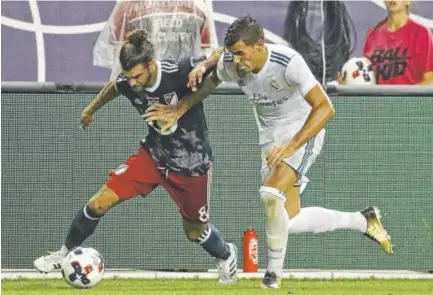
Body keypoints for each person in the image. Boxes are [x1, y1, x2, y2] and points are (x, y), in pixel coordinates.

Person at [144, 16, 393, 289]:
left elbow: (325, 108)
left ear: (260, 44)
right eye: (233, 54)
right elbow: (214, 76)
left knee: (270, 194)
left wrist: (291, 146)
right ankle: (362, 220)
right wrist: (180, 106)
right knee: (290, 218)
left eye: (241, 53)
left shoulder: (288, 62)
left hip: (301, 131)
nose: (237, 60)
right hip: (271, 139)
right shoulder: (234, 64)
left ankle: (273, 275)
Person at [34, 30, 237, 285]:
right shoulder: (129, 81)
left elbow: (223, 56)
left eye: (137, 76)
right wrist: (90, 110)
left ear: (151, 65)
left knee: (194, 232)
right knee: (98, 203)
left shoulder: (179, 70)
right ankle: (63, 254)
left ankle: (226, 254)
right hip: (152, 157)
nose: (132, 82)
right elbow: (114, 86)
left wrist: (201, 72)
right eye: (129, 76)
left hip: (191, 165)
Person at [93, 0, 218, 80]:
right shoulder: (198, 6)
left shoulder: (127, 6)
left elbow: (118, 58)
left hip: (143, 89)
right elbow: (206, 54)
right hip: (184, 87)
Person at [339, 0, 433, 85]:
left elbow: (430, 80)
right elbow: (367, 77)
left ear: (408, 2)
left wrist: (405, 100)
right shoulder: (373, 35)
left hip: (411, 103)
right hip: (379, 103)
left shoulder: (421, 33)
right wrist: (348, 84)